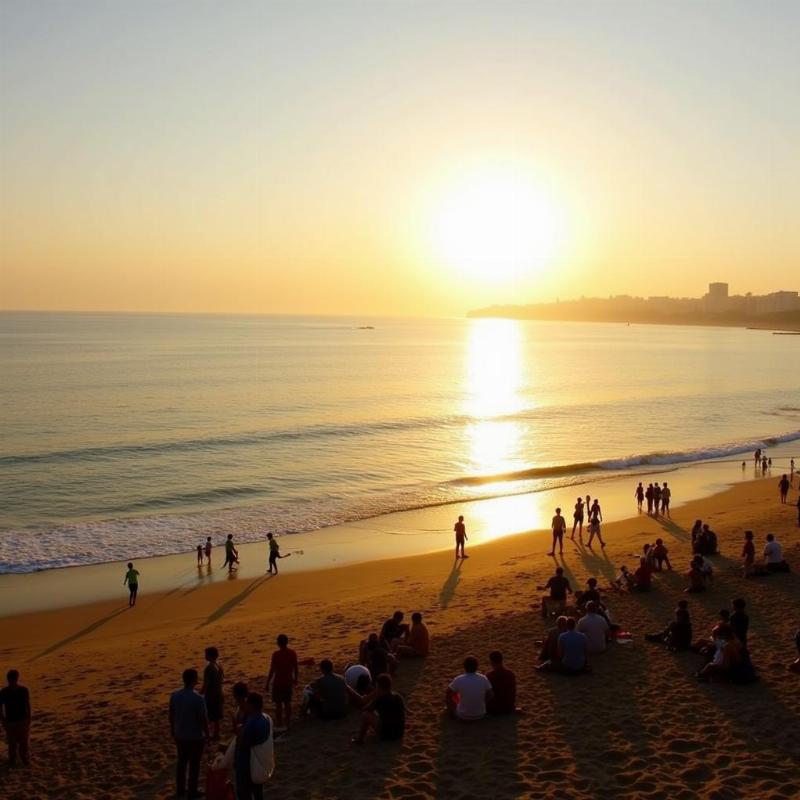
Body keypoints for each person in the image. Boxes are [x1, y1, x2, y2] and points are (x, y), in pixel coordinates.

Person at [169, 668, 209, 800]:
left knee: (181, 762)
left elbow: (171, 715)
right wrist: (207, 735)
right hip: (195, 736)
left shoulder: (175, 695)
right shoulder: (198, 699)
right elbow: (203, 719)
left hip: (180, 734)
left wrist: (172, 729)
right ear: (194, 680)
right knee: (194, 764)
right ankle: (192, 790)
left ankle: (180, 789)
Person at [235, 692, 271, 800]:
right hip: (258, 761)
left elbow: (243, 744)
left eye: (247, 703)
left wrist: (239, 731)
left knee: (244, 793)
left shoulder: (252, 723)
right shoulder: (265, 719)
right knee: (257, 791)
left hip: (247, 762)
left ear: (252, 705)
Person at [352, 673, 405, 744]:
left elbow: (365, 709)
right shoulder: (398, 696)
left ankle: (360, 739)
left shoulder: (380, 699)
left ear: (379, 687)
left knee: (365, 715)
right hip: (399, 733)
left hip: (388, 735)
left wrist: (373, 695)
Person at [266, 634, 298, 732]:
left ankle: (280, 723)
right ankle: (288, 723)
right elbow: (296, 667)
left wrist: (267, 683)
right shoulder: (292, 653)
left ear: (278, 643)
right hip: (288, 681)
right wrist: (296, 678)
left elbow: (272, 670)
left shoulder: (276, 654)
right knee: (287, 703)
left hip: (278, 682)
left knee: (278, 705)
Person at [446, 656, 493, 721]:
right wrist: (483, 702)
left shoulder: (459, 679)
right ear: (476, 667)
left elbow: (448, 693)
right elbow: (491, 694)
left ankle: (453, 712)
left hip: (463, 715)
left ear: (464, 667)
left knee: (453, 695)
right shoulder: (483, 678)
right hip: (481, 714)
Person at [0, 670, 31, 767]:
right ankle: (14, 761)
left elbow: (27, 704)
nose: (12, 681)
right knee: (13, 744)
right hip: (11, 721)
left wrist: (28, 717)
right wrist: (3, 720)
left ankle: (23, 759)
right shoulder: (4, 692)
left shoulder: (23, 690)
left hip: (21, 720)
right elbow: (0, 707)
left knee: (23, 743)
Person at [201, 646, 225, 740]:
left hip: (211, 695)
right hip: (219, 692)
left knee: (210, 715)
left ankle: (211, 734)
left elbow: (206, 684)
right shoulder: (219, 665)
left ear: (210, 655)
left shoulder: (209, 668)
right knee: (216, 717)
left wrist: (201, 694)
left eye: (206, 654)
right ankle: (216, 733)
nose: (205, 656)